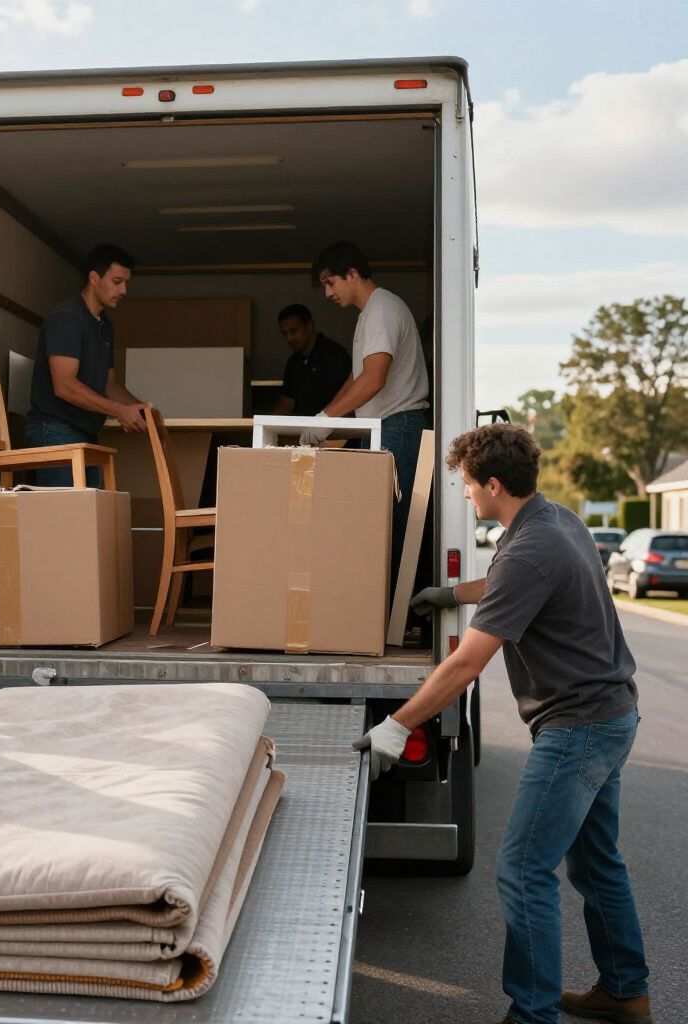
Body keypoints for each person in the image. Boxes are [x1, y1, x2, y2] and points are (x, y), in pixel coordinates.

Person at [355, 424, 650, 1024]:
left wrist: (399, 724)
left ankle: (531, 1015)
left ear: (493, 485)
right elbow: (508, 584)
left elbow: (467, 662)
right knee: (595, 864)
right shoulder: (555, 521)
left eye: (467, 485)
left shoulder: (530, 550)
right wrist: (452, 594)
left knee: (522, 868)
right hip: (612, 713)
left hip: (578, 725)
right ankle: (626, 992)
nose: (464, 495)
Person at [303, 241, 430, 591]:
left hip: (398, 427)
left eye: (331, 283)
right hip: (382, 427)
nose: (327, 293)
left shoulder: (381, 311)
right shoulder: (369, 315)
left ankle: (387, 619)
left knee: (389, 526)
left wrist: (325, 420)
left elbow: (374, 379)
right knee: (375, 524)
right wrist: (324, 419)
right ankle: (375, 616)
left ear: (353, 274)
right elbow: (357, 379)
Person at [24, 243, 147, 485]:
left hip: (86, 433)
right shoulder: (67, 319)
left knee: (89, 515)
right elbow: (64, 385)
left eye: (126, 283)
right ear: (94, 278)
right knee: (66, 517)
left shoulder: (104, 326)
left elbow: (109, 384)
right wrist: (119, 411)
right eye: (117, 281)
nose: (124, 290)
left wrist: (140, 410)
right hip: (56, 430)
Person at [269, 303, 351, 417]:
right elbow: (287, 402)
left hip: (334, 429)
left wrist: (323, 420)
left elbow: (346, 397)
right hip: (302, 431)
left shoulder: (334, 355)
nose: (289, 339)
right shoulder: (293, 362)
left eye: (293, 331)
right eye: (284, 333)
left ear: (309, 326)